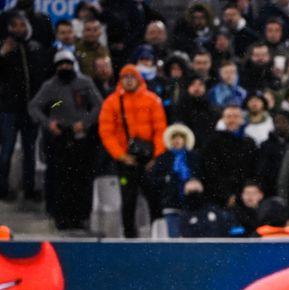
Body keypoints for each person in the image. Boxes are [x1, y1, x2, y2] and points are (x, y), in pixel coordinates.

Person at [28, 50, 103, 230]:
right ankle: (60, 217)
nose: (65, 67)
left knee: (81, 178)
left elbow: (99, 105)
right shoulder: (50, 85)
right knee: (60, 179)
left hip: (80, 136)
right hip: (59, 137)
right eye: (61, 64)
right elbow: (34, 106)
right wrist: (48, 123)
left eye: (68, 64)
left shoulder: (84, 82)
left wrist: (85, 123)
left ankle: (81, 216)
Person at [98, 64, 167, 238]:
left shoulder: (152, 100)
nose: (129, 81)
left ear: (139, 79)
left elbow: (160, 130)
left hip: (148, 160)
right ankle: (129, 237)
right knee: (128, 199)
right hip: (126, 162)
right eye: (125, 77)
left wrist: (156, 156)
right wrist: (121, 156)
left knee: (155, 198)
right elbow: (106, 133)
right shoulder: (112, 102)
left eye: (132, 77)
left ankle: (158, 235)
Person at [0, 11, 47, 201]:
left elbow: (40, 76)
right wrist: (2, 54)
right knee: (7, 150)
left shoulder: (35, 47)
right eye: (15, 25)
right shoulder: (4, 47)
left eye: (22, 25)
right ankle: (3, 188)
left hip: (30, 109)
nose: (19, 29)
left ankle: (29, 189)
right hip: (9, 109)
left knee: (30, 151)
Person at [150, 124, 203, 238]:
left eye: (180, 137)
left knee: (192, 237)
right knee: (174, 237)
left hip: (193, 204)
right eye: (174, 137)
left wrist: (195, 183)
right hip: (170, 202)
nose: (177, 140)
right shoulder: (163, 158)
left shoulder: (194, 157)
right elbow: (154, 180)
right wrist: (167, 180)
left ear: (185, 139)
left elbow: (202, 175)